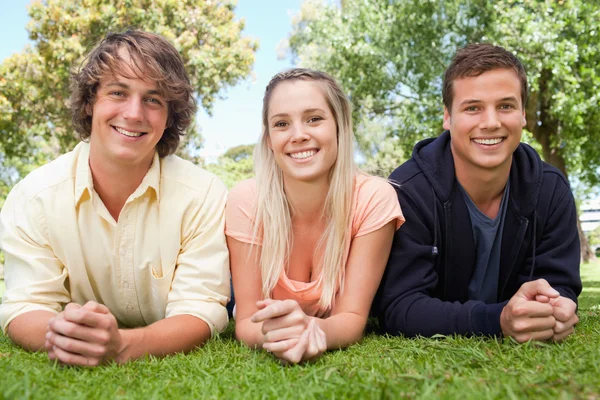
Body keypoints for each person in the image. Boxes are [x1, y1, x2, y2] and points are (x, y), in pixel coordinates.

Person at [0, 30, 230, 366]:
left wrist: (123, 345)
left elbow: (202, 308)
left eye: (153, 99)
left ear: (169, 117)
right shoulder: (33, 197)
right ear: (91, 101)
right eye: (118, 92)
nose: (134, 113)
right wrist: (65, 335)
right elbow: (25, 305)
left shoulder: (203, 194)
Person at [373, 43, 581, 343]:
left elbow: (559, 284)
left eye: (506, 106)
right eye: (473, 108)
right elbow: (399, 306)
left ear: (523, 114)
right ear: (447, 117)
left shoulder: (550, 189)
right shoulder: (408, 191)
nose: (491, 122)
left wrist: (556, 307)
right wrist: (497, 319)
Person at [225, 68, 404, 364]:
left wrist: (314, 330)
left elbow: (352, 317)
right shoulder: (246, 200)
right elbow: (246, 322)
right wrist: (281, 336)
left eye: (314, 119)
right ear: (269, 139)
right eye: (282, 124)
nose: (299, 135)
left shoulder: (374, 198)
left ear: (340, 126)